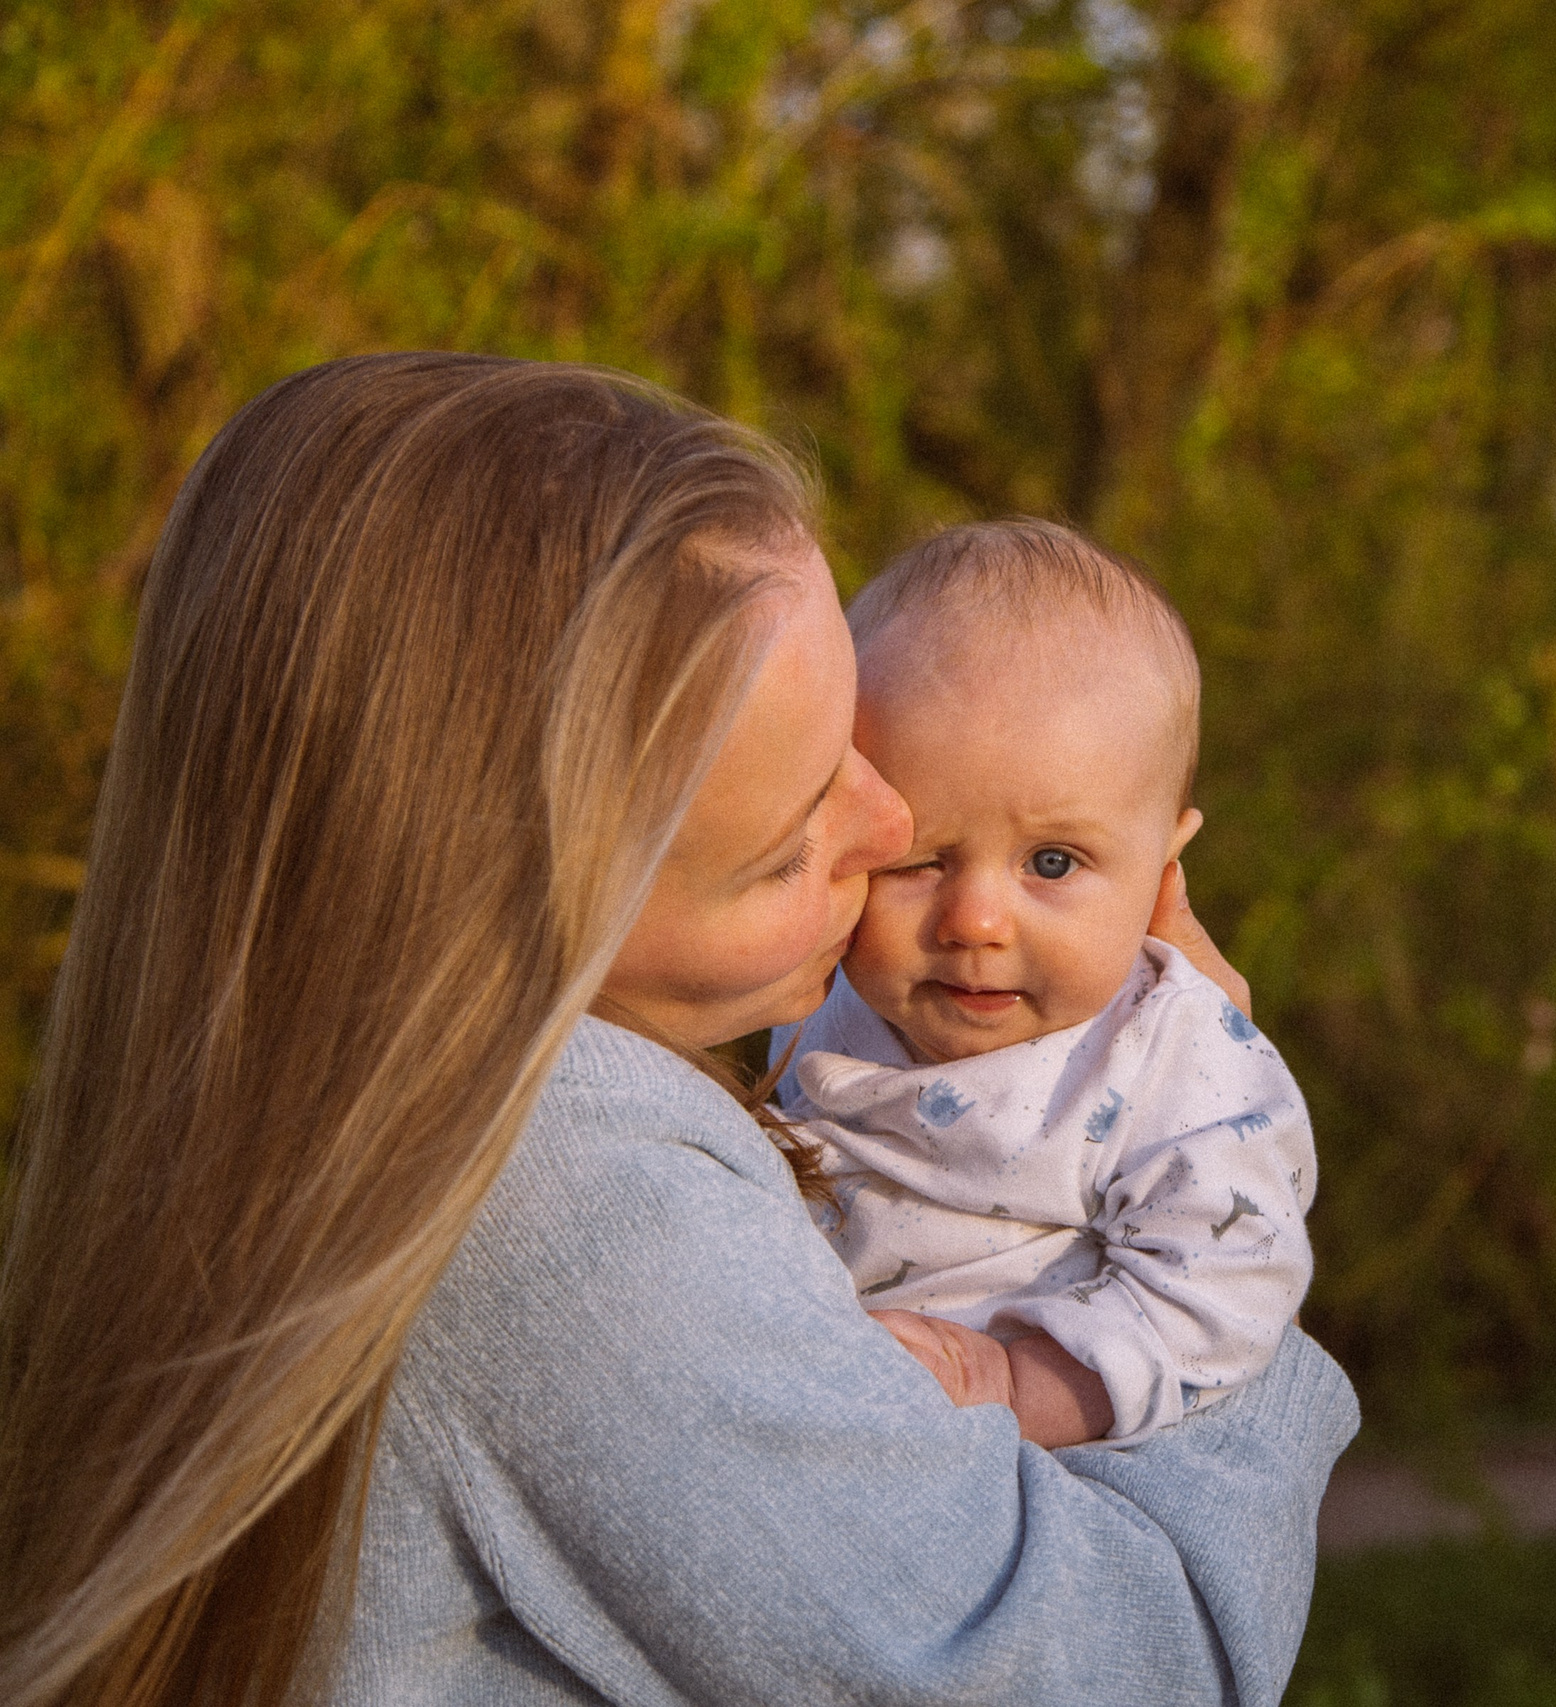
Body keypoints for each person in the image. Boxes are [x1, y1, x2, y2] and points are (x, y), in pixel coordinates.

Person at [0, 354, 1357, 1707]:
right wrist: (1230, 1256)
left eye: (856, 744)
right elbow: (1132, 1669)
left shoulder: (304, 1113)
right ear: (524, 894)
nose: (894, 831)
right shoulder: (571, 1202)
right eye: (788, 842)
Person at [781, 520, 1317, 1452]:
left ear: (1161, 871)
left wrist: (1022, 1382)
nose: (976, 920)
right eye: (921, 861)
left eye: (1054, 861)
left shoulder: (1169, 1053)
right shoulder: (817, 1006)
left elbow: (1234, 1276)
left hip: (1057, 1460)